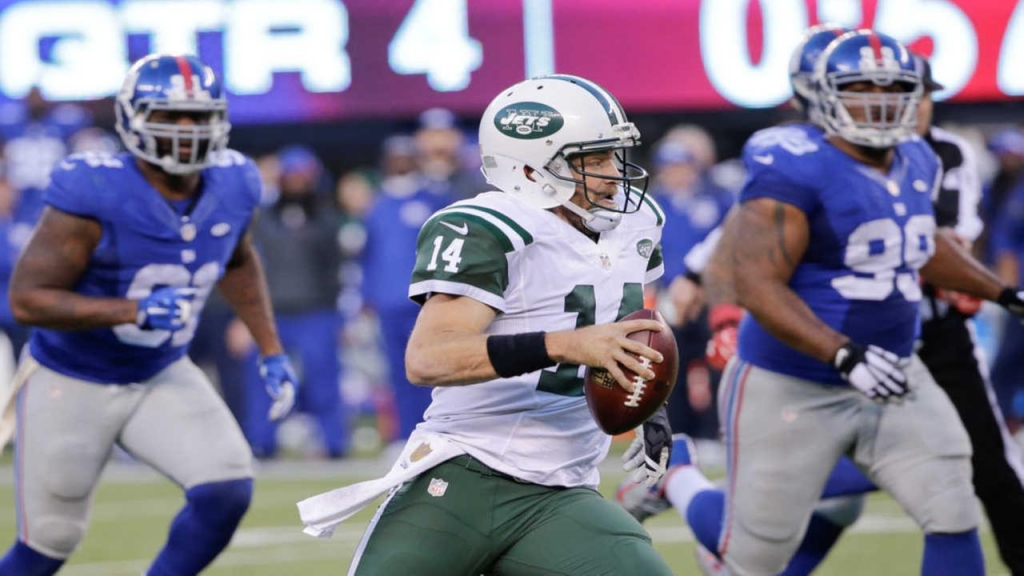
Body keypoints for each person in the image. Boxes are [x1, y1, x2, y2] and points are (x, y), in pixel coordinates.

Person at [633, 29, 1024, 575]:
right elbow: (756, 282)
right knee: (748, 552)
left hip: (895, 370)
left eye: (894, 89)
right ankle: (676, 475)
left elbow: (919, 242)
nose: (882, 103)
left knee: (952, 506)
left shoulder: (917, 156)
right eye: (862, 88)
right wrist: (845, 354)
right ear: (818, 95)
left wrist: (1005, 294)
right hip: (792, 380)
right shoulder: (790, 163)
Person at [299, 74, 674, 575]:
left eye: (614, 156)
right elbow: (428, 358)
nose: (613, 175)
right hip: (465, 472)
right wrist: (565, 345)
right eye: (593, 160)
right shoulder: (489, 228)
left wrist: (650, 405)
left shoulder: (637, 221)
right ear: (531, 167)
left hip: (562, 489)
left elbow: (632, 325)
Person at [0, 54, 297, 576]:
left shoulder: (235, 182)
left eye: (197, 117)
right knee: (49, 542)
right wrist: (131, 309)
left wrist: (270, 349)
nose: (185, 131)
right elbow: (27, 298)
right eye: (169, 115)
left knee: (226, 488)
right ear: (130, 117)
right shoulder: (92, 187)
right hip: (72, 376)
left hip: (159, 368)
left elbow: (239, 259)